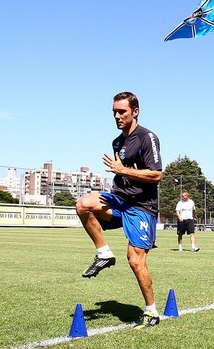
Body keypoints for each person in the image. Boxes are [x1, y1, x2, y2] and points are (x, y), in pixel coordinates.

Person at [75, 91, 163, 329]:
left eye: (121, 111)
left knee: (135, 261)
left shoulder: (148, 137)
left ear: (135, 111)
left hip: (141, 207)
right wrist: (120, 172)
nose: (117, 115)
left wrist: (122, 170)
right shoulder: (117, 142)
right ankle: (104, 253)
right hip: (119, 201)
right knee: (83, 205)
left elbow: (156, 175)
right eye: (114, 111)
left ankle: (151, 311)